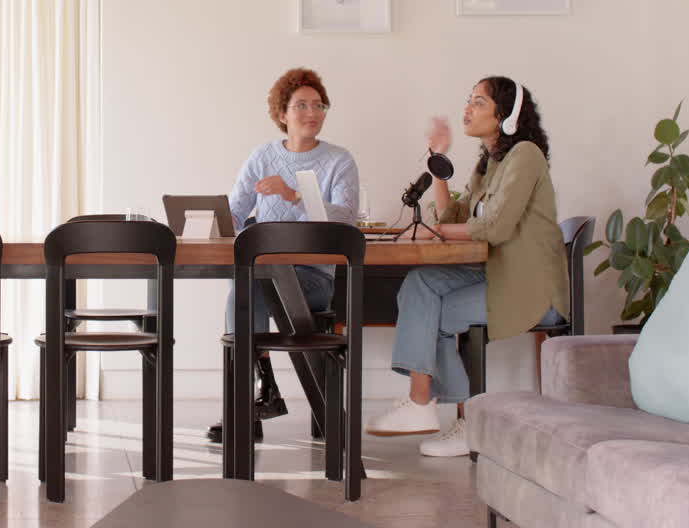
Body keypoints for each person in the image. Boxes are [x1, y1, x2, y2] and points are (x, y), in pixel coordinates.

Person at [365, 76, 568, 457]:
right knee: (420, 284)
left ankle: (451, 416)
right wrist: (438, 163)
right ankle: (430, 408)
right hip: (497, 276)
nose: (467, 108)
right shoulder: (489, 164)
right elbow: (452, 214)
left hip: (530, 289)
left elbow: (498, 226)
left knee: (431, 308)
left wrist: (436, 230)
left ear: (505, 115)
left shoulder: (525, 155)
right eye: (468, 100)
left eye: (478, 101)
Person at [207, 67, 360, 443]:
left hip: (315, 278)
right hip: (265, 275)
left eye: (319, 105)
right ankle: (258, 395)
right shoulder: (262, 157)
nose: (312, 112)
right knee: (247, 285)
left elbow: (345, 217)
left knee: (246, 287)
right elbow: (235, 211)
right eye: (301, 105)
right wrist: (206, 219)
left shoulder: (339, 161)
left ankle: (257, 396)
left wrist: (292, 194)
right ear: (282, 114)